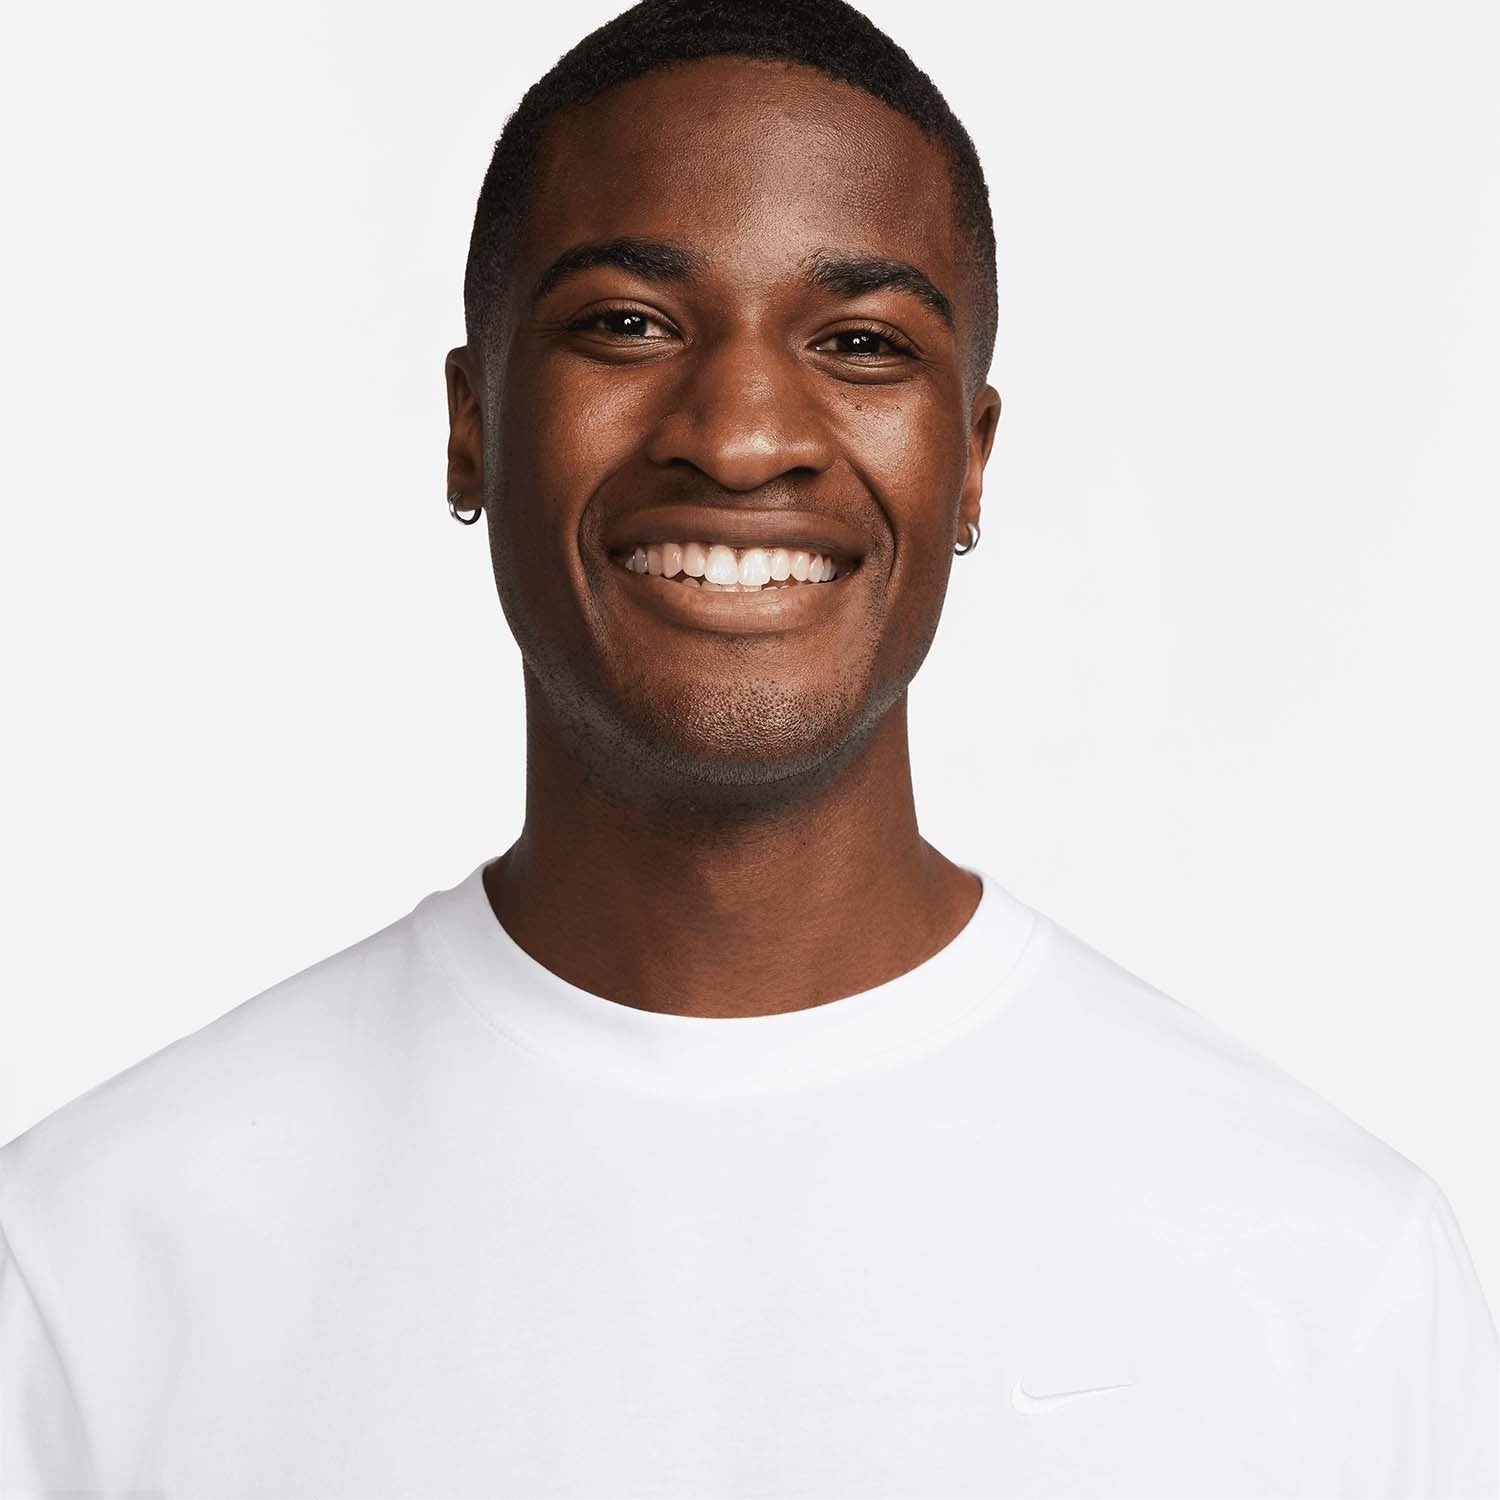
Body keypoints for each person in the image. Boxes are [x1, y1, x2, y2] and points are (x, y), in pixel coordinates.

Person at [2, 0, 1496, 1493]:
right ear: (472, 422)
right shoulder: (90, 1263)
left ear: (971, 462)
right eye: (627, 324)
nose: (740, 435)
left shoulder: (1327, 1265)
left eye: (861, 343)